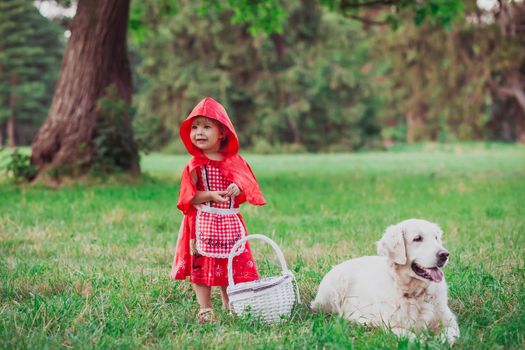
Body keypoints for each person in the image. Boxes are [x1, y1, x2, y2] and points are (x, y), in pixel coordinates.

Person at [170, 97, 266, 323]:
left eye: (206, 127)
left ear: (222, 132)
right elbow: (189, 196)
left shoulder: (234, 161)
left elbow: (247, 184)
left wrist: (237, 186)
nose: (199, 132)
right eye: (194, 127)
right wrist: (211, 195)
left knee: (229, 263)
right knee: (201, 264)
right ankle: (205, 308)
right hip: (204, 221)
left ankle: (230, 301)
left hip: (229, 222)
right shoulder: (195, 164)